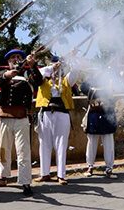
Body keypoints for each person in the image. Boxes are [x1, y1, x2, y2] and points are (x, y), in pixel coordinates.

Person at [0, 49, 42, 196]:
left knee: (23, 151)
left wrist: (33, 65)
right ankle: (3, 177)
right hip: (4, 118)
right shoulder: (4, 76)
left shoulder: (27, 75)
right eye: (12, 58)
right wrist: (5, 75)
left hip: (21, 118)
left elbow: (40, 82)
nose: (15, 59)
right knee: (4, 150)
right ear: (8, 62)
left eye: (18, 57)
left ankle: (25, 181)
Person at [34, 55, 78, 185]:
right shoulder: (43, 76)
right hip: (46, 112)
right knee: (44, 144)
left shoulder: (66, 78)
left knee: (61, 144)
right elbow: (39, 73)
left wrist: (72, 62)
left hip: (62, 112)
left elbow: (74, 75)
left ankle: (61, 175)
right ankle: (44, 173)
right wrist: (52, 67)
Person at [80, 79, 118, 178]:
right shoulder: (91, 82)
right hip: (94, 115)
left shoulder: (110, 80)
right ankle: (90, 166)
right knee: (91, 143)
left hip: (107, 116)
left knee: (108, 144)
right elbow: (83, 88)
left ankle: (109, 167)